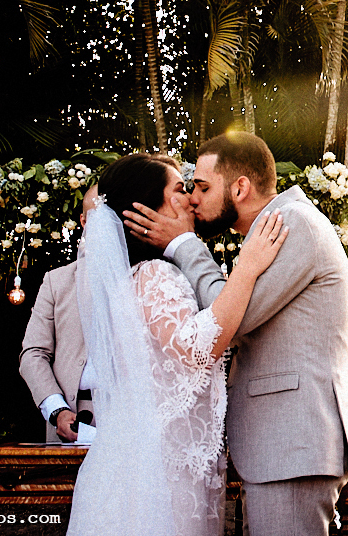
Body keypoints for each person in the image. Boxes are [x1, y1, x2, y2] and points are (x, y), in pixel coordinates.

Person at [124, 132, 348, 536]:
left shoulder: (290, 224)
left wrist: (184, 244)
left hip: (292, 445)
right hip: (284, 447)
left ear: (240, 188)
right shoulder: (269, 230)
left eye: (203, 187)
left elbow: (229, 318)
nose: (193, 199)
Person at [67, 153, 286, 536]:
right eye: (181, 189)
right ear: (151, 207)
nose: (191, 198)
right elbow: (199, 347)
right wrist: (248, 267)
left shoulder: (135, 278)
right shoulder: (155, 275)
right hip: (161, 476)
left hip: (157, 463)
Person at [18, 184, 100, 443]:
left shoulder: (147, 278)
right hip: (70, 425)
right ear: (83, 221)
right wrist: (57, 410)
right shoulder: (57, 281)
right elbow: (33, 353)